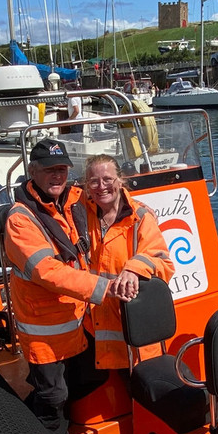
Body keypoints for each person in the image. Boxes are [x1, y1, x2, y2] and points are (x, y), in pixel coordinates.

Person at [3, 139, 117, 434]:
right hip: (45, 328)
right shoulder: (20, 219)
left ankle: (36, 401)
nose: (57, 176)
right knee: (54, 398)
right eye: (50, 170)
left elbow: (116, 201)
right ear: (32, 172)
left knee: (94, 374)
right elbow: (47, 271)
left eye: (62, 170)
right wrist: (105, 287)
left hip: (79, 319)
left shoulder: (75, 200)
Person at [81, 154, 175, 371]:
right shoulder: (83, 214)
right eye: (94, 181)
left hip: (132, 329)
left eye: (108, 179)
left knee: (138, 387)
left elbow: (164, 264)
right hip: (94, 328)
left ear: (120, 181)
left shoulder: (140, 218)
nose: (101, 186)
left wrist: (134, 269)